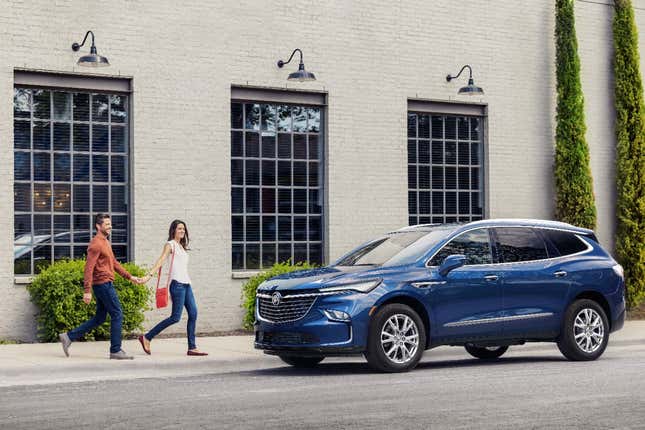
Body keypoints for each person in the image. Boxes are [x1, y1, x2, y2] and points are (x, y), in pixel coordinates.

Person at [59, 213, 144, 359]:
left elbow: (115, 263)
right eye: (107, 224)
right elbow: (88, 267)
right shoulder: (96, 243)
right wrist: (87, 290)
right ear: (98, 226)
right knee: (117, 313)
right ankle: (115, 350)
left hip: (105, 283)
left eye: (110, 224)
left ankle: (68, 337)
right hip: (103, 284)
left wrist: (130, 277)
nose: (110, 226)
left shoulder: (105, 242)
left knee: (100, 318)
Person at [138, 220, 208, 356]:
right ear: (173, 230)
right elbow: (161, 260)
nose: (182, 231)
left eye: (183, 229)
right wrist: (148, 276)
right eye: (179, 229)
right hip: (177, 286)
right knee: (175, 317)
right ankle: (147, 337)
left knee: (193, 313)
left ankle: (192, 348)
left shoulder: (181, 247)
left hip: (187, 285)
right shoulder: (170, 245)